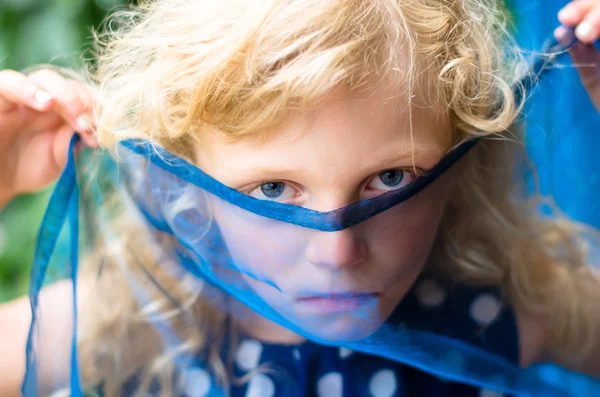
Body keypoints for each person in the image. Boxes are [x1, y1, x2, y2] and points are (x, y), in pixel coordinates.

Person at [0, 0, 599, 396]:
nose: (337, 252)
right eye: (272, 190)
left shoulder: (497, 310)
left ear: (460, 160)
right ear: (187, 183)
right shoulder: (142, 322)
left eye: (390, 179)